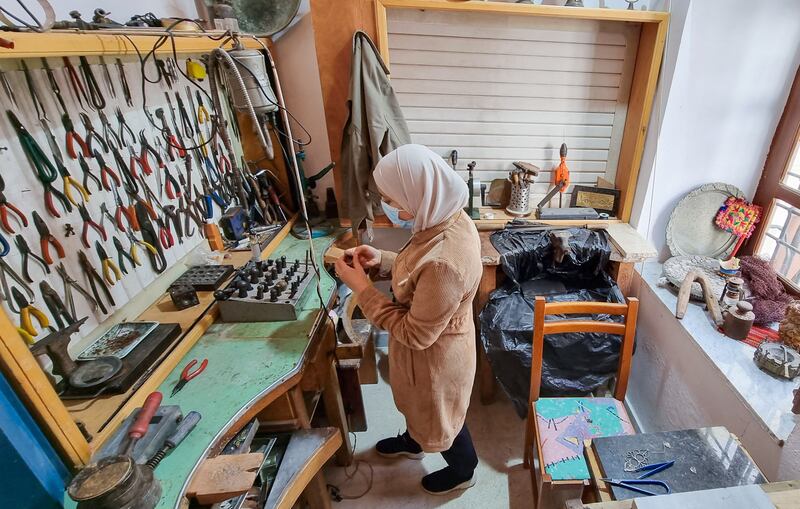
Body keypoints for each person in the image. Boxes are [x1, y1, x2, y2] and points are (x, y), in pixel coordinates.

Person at [335, 144, 483, 495]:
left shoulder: (445, 262)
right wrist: (383, 260)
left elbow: (415, 334)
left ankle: (464, 469)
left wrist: (360, 288)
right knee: (420, 409)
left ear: (420, 190)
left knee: (443, 417)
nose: (393, 208)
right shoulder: (447, 214)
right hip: (430, 341)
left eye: (395, 199)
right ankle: (415, 440)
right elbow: (420, 268)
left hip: (435, 357)